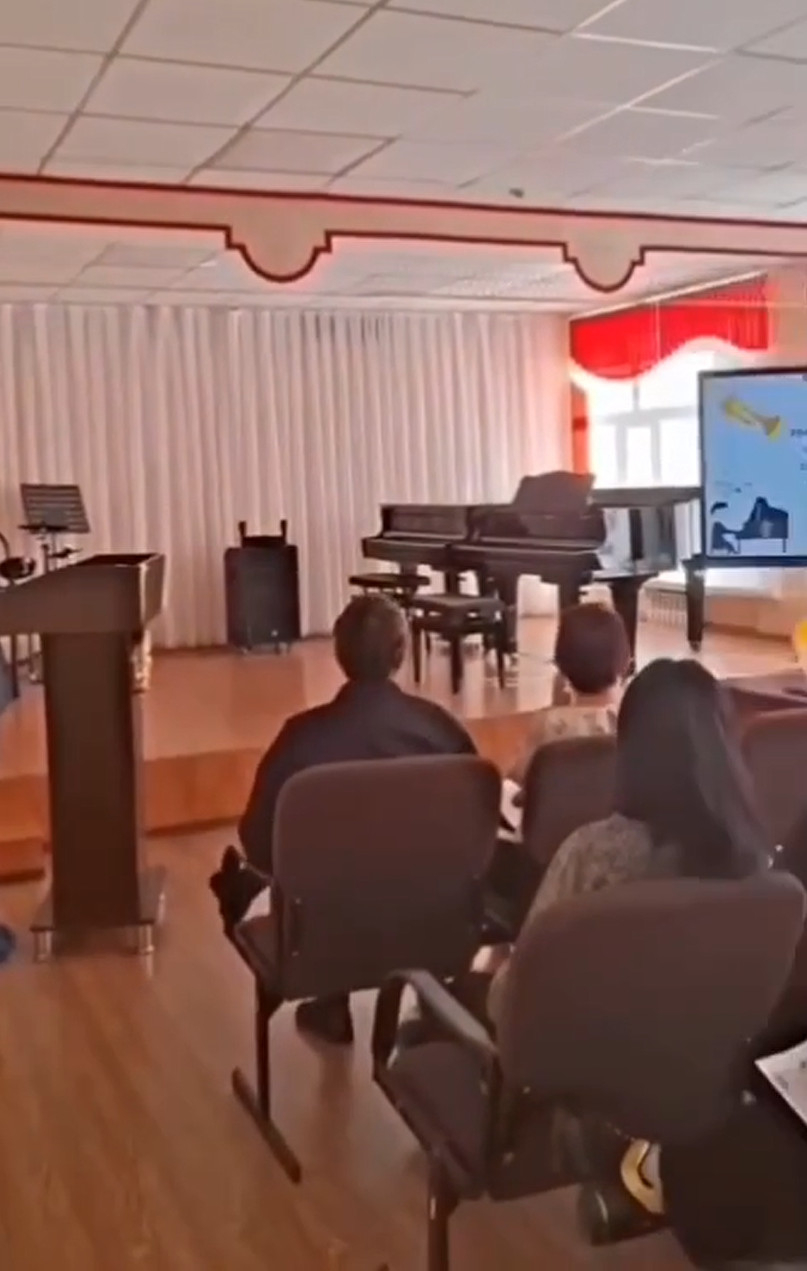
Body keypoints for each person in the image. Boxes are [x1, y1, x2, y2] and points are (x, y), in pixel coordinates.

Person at [488, 658, 772, 1220]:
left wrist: (492, 976)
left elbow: (517, 1002)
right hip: (700, 1075)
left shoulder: (591, 854)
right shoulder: (760, 862)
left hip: (587, 1086)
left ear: (629, 746)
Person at [210, 592, 476, 1045]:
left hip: (322, 940)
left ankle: (332, 1002)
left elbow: (259, 844)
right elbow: (472, 828)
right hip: (432, 923)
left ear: (337, 654)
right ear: (400, 653)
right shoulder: (440, 730)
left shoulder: (301, 738)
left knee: (316, 876)